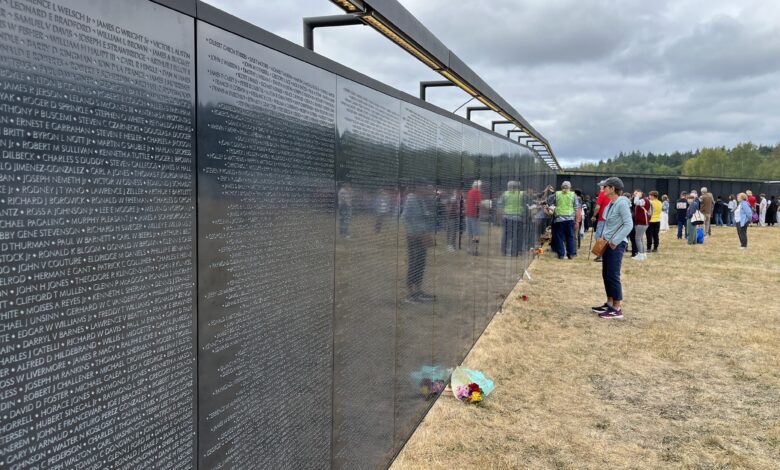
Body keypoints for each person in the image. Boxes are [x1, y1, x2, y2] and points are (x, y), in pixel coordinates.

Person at [591, 177, 633, 319]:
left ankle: (617, 308)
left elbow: (629, 224)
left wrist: (614, 241)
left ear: (612, 189)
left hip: (616, 244)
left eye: (605, 187)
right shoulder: (611, 203)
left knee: (613, 274)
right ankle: (609, 303)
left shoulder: (621, 203)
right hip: (608, 243)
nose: (602, 189)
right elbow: (609, 223)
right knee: (607, 274)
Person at [403, 182, 435, 302]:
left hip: (422, 236)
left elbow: (423, 217)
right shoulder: (411, 199)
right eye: (426, 187)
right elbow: (405, 218)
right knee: (414, 263)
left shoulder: (421, 200)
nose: (428, 189)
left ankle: (418, 290)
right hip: (414, 237)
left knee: (421, 263)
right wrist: (414, 233)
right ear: (418, 187)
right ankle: (411, 294)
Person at [547, 181, 576, 260]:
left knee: (559, 237)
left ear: (561, 186)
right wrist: (574, 216)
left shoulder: (557, 194)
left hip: (559, 219)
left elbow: (549, 201)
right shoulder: (573, 195)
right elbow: (576, 207)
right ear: (570, 187)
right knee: (570, 236)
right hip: (570, 219)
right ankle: (571, 254)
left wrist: (554, 208)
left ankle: (561, 254)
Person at [499, 181, 525, 257]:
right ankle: (514, 252)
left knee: (505, 235)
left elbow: (500, 204)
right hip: (517, 218)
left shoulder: (505, 194)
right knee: (515, 236)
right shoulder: (521, 194)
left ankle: (504, 251)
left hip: (506, 217)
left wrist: (501, 214)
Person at [590, 185, 611, 262]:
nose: (600, 189)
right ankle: (605, 255)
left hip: (603, 219)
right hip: (611, 219)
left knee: (599, 237)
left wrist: (594, 215)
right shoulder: (613, 195)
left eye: (601, 187)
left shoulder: (602, 194)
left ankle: (600, 255)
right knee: (607, 237)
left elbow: (598, 207)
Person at [632, 190, 650, 260]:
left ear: (641, 193)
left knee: (638, 239)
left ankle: (640, 254)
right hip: (641, 222)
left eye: (637, 193)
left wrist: (637, 196)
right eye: (634, 194)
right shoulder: (644, 200)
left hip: (642, 222)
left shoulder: (644, 200)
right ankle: (643, 254)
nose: (635, 195)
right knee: (641, 239)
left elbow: (636, 202)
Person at [465, 180, 482, 255]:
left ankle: (469, 248)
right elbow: (478, 204)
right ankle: (475, 250)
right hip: (475, 215)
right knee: (476, 234)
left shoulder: (469, 192)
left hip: (468, 214)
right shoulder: (477, 192)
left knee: (470, 233)